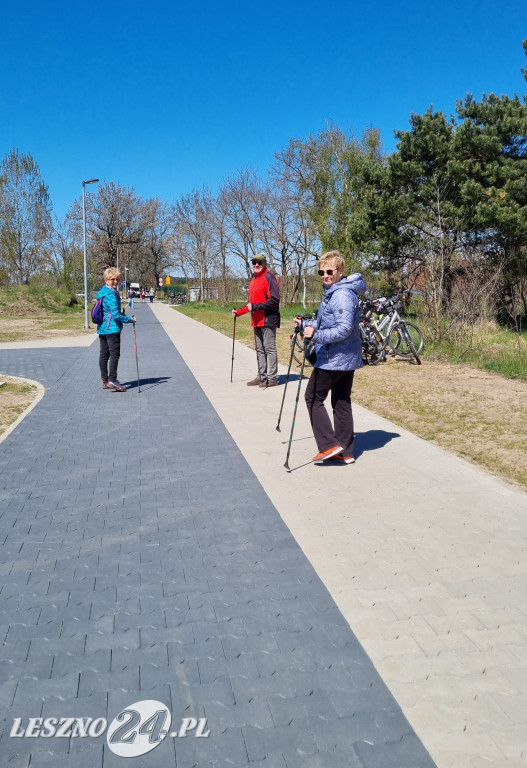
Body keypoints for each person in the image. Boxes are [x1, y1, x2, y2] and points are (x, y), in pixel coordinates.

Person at [296, 251, 366, 464]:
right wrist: (305, 326)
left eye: (329, 271)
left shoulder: (342, 295)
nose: (325, 275)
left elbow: (343, 329)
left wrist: (317, 335)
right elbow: (327, 323)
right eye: (321, 271)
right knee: (341, 400)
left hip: (334, 357)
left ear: (340, 271)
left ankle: (329, 445)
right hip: (344, 357)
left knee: (313, 398)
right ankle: (346, 451)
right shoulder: (334, 292)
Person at [232, 254, 280, 388]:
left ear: (265, 263)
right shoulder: (253, 279)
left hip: (268, 319)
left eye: (259, 262)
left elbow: (275, 300)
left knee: (269, 348)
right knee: (259, 349)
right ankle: (261, 377)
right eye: (254, 263)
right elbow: (250, 303)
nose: (256, 265)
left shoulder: (270, 278)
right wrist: (239, 312)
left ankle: (272, 379)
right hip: (256, 320)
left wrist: (255, 307)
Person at [96, 267, 136, 392]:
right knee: (114, 355)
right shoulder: (111, 295)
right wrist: (130, 319)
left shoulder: (102, 292)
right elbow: (115, 315)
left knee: (104, 355)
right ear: (106, 280)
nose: (115, 281)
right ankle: (112, 380)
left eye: (117, 279)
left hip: (102, 327)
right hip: (112, 329)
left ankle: (105, 380)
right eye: (112, 279)